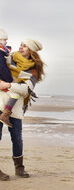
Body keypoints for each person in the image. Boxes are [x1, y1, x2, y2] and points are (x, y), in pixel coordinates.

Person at [0, 39, 45, 181]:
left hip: (16, 106)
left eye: (24, 46)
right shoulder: (9, 58)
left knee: (17, 138)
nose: (20, 47)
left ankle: (19, 168)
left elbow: (27, 89)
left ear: (31, 50)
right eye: (21, 44)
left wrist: (7, 85)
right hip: (0, 101)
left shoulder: (33, 69)